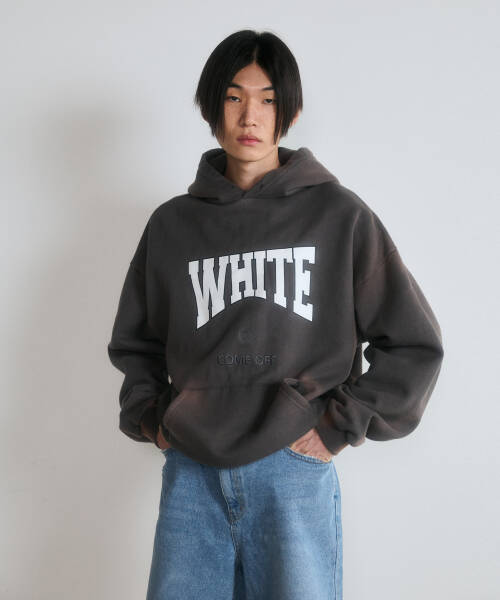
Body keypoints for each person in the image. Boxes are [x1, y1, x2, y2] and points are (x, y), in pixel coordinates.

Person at [107, 29, 444, 600]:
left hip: (292, 470)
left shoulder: (339, 215)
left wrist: (335, 428)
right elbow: (136, 343)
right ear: (210, 106)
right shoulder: (172, 225)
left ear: (290, 111)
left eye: (267, 99)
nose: (250, 115)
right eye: (233, 96)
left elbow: (413, 343)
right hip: (192, 473)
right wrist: (152, 419)